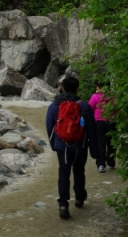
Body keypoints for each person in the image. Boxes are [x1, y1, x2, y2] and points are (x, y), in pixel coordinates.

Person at [46, 77, 99, 220]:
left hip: (61, 147)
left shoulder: (54, 106)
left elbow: (49, 127)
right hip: (80, 146)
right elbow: (92, 130)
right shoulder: (84, 107)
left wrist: (54, 145)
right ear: (77, 89)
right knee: (79, 171)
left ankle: (63, 205)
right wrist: (95, 151)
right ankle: (79, 198)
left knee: (64, 173)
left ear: (62, 88)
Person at [88, 81, 116, 173]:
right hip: (111, 122)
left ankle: (101, 164)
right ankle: (111, 162)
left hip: (99, 122)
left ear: (98, 87)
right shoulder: (113, 97)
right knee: (111, 143)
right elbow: (117, 109)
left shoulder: (95, 96)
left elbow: (90, 108)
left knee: (101, 143)